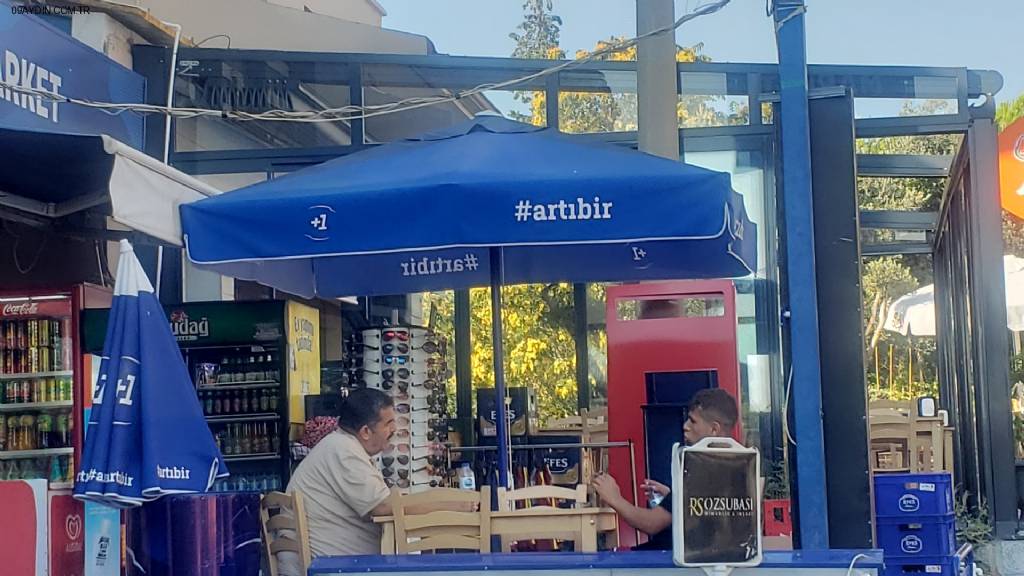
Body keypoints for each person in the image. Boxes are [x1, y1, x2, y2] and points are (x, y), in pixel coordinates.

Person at [277, 388, 469, 575]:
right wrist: (448, 505)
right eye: (389, 423)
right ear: (366, 431)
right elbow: (382, 507)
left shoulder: (340, 446)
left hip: (332, 562)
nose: (395, 429)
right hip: (330, 566)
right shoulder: (343, 451)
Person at [591, 387, 739, 550]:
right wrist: (671, 498)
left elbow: (651, 523)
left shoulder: (701, 469)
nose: (685, 426)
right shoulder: (737, 464)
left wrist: (614, 498)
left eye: (693, 421)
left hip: (674, 559)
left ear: (714, 429)